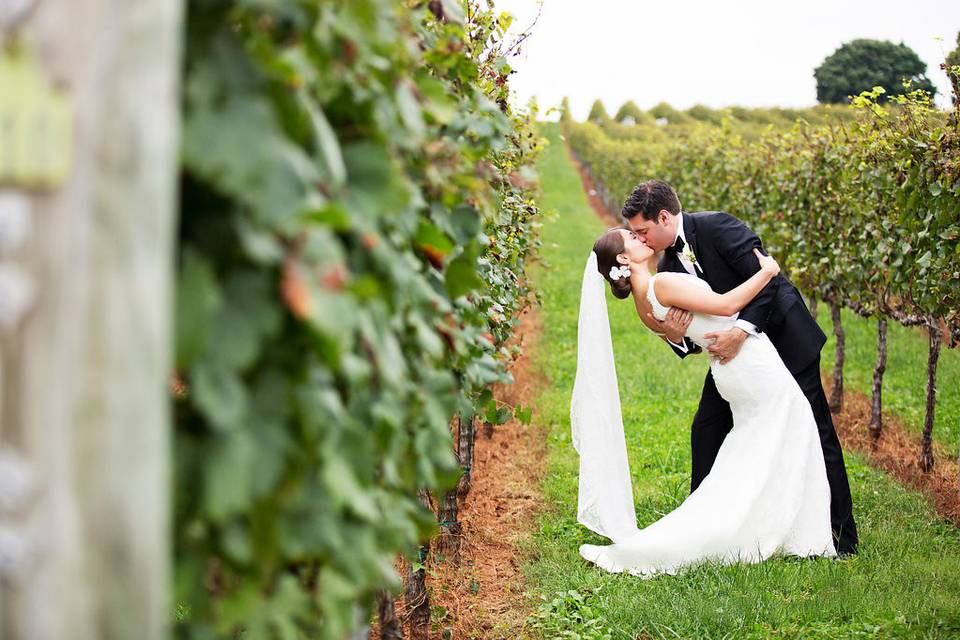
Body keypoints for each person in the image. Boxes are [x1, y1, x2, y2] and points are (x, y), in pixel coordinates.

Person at [571, 226, 835, 577]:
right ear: (623, 257)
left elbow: (680, 331)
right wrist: (767, 272)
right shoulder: (661, 283)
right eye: (633, 239)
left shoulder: (642, 301)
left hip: (730, 368)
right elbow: (727, 305)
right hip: (747, 362)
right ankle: (793, 533)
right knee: (791, 426)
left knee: (756, 444)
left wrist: (674, 332)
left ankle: (772, 524)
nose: (642, 239)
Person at [622, 180, 857, 557]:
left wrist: (741, 332)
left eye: (643, 231)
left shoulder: (718, 226)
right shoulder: (666, 265)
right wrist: (673, 333)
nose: (642, 239)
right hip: (738, 361)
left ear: (664, 217)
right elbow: (694, 330)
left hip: (783, 339)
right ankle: (701, 531)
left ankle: (842, 538)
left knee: (817, 432)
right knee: (706, 428)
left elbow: (769, 282)